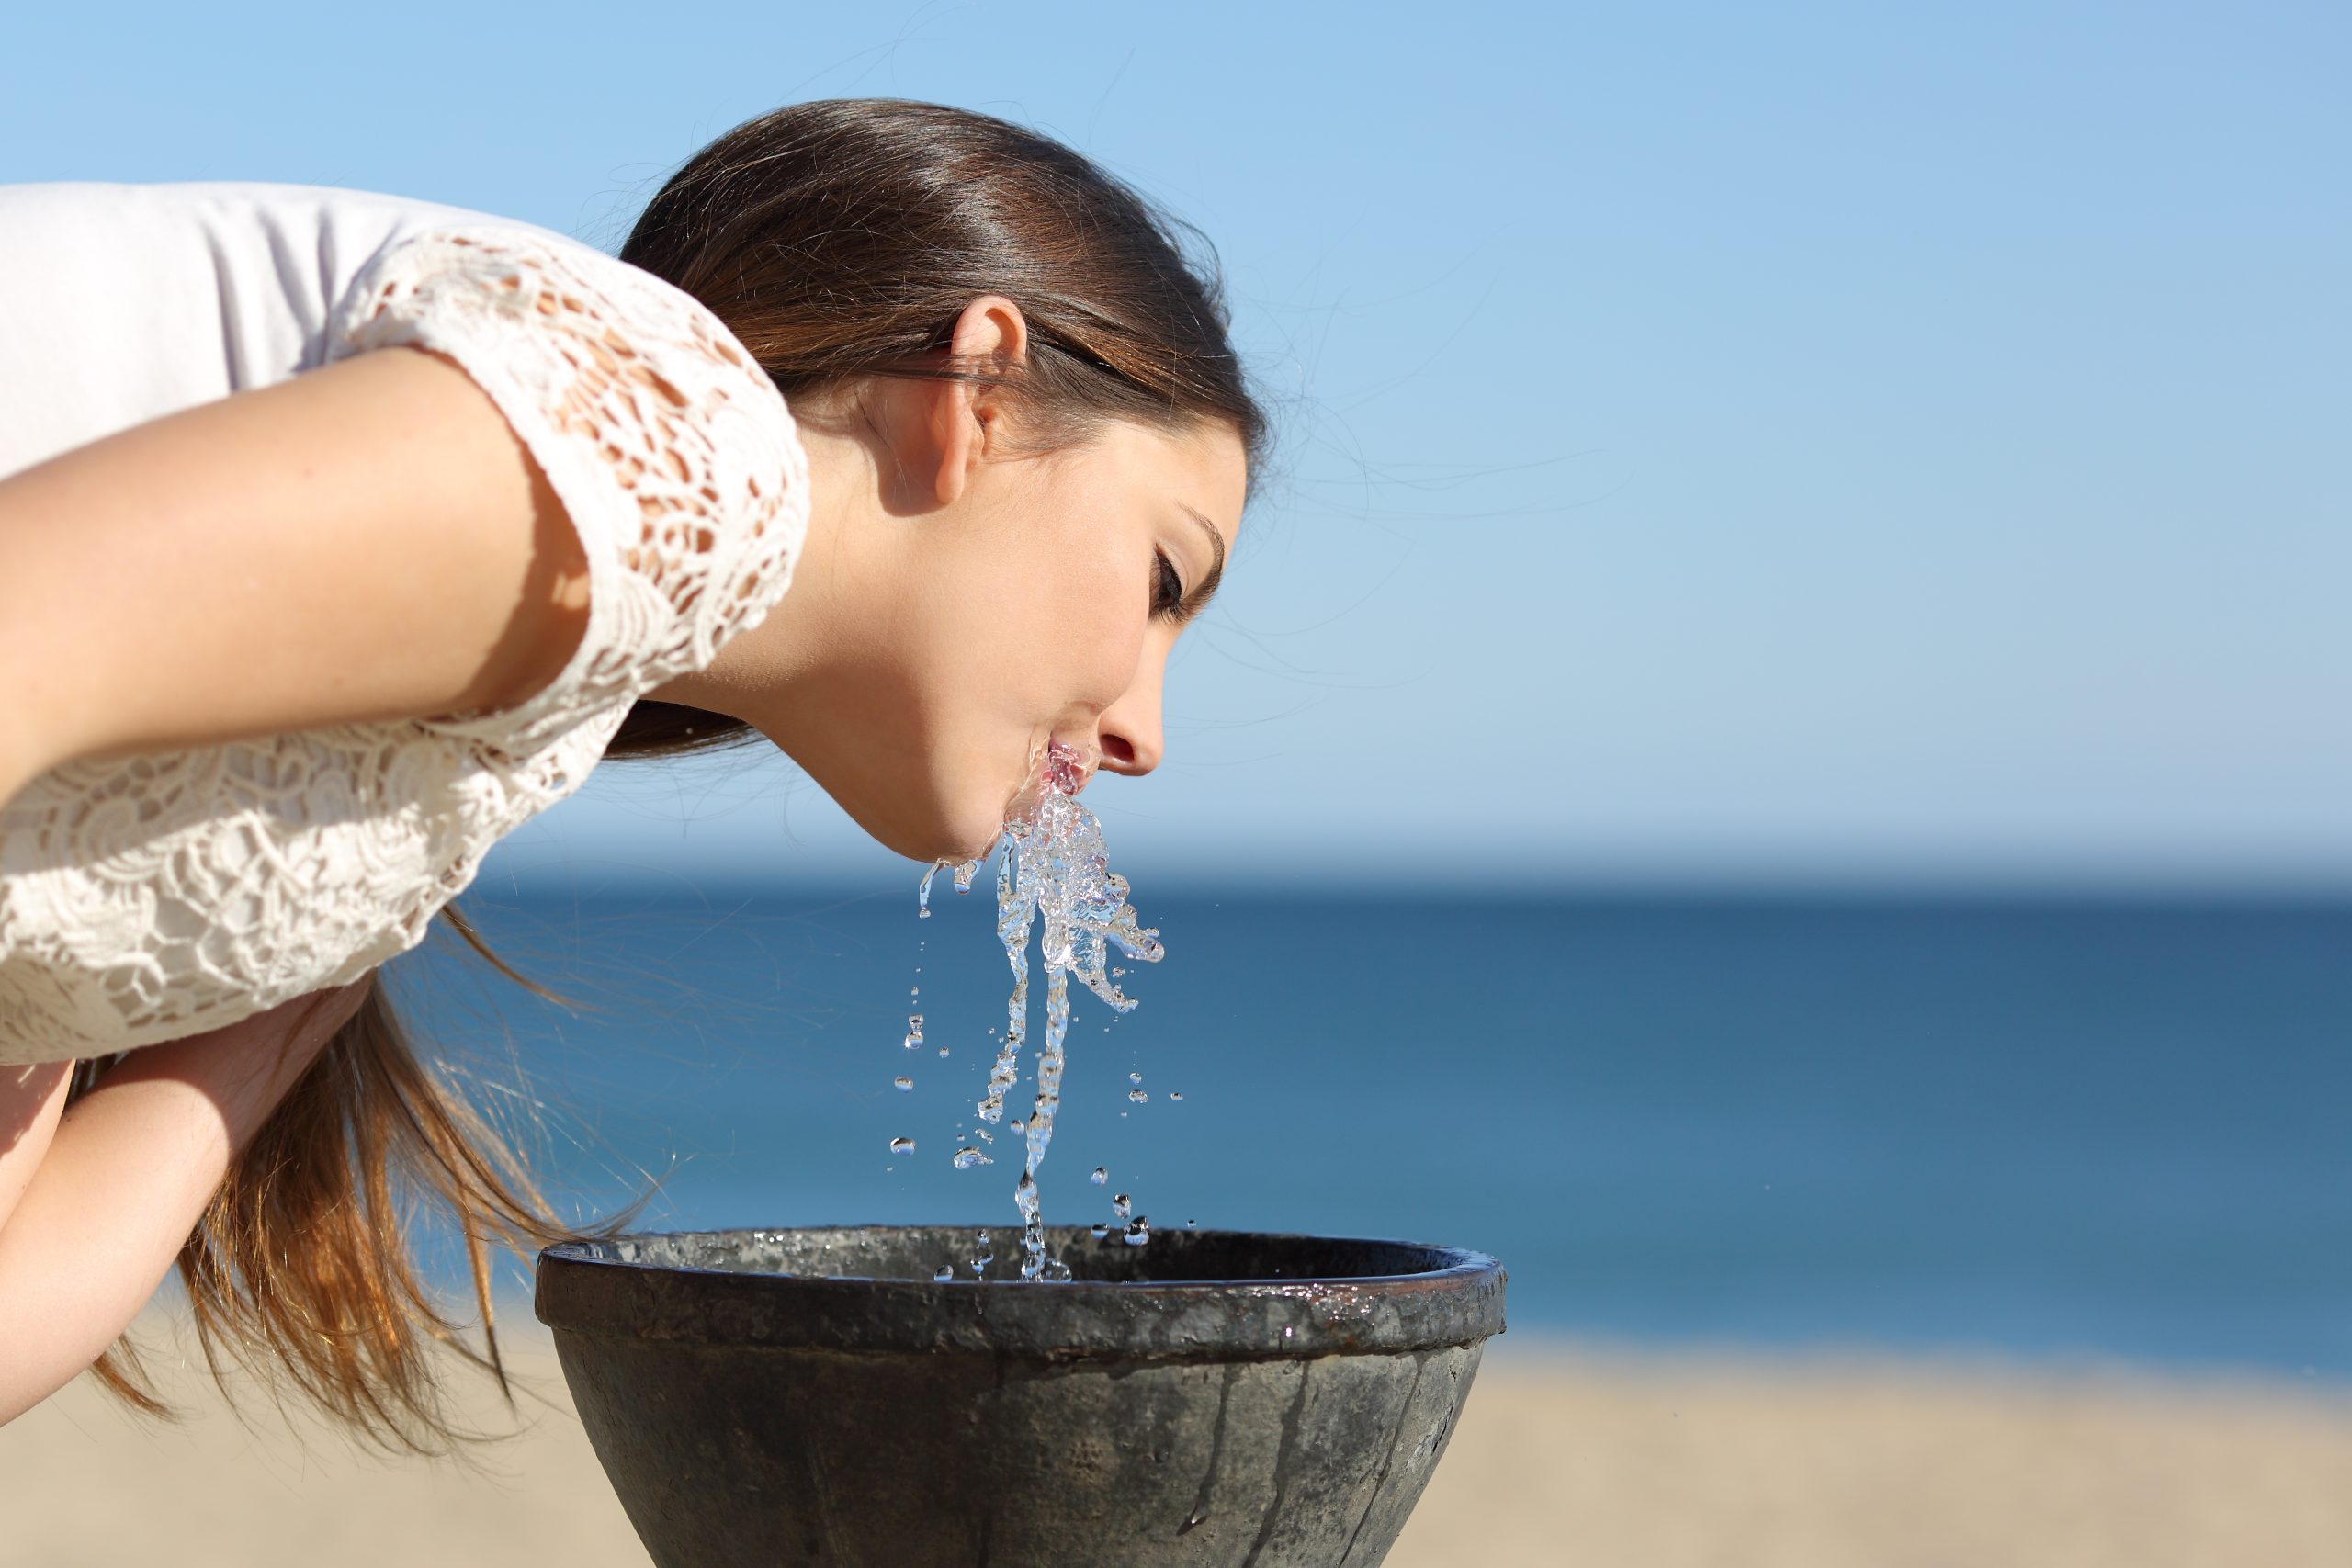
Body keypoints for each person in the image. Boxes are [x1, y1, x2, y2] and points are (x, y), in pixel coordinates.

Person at [0, 97, 1265, 1449]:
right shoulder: (670, 446)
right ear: (985, 400)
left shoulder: (420, 789)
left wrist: (254, 1038)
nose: (1146, 731)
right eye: (1161, 578)